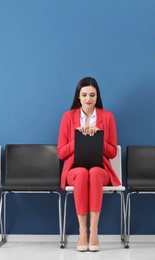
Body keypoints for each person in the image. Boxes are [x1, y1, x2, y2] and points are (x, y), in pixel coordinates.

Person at [57, 76, 121, 252]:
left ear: (97, 96)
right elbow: (61, 153)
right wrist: (78, 138)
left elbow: (113, 152)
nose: (88, 99)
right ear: (78, 96)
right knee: (83, 173)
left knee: (92, 172)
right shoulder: (68, 117)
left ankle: (94, 231)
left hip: (101, 170)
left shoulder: (107, 117)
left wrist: (99, 137)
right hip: (74, 170)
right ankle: (82, 231)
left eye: (92, 95)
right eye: (84, 95)